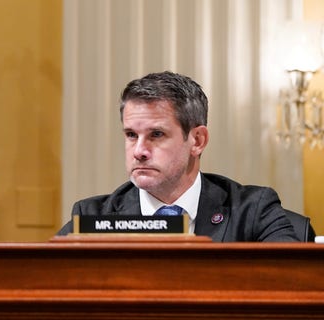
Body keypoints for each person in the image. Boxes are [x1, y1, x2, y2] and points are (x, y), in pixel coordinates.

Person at [57, 71, 305, 242]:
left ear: (197, 141)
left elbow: (293, 286)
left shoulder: (252, 211)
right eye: (131, 134)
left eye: (156, 134)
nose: (139, 151)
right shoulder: (92, 217)